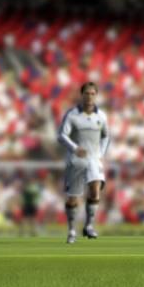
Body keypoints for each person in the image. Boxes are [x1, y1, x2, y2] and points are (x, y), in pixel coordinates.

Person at [58, 82, 110, 244]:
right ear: (82, 95)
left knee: (95, 190)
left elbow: (106, 136)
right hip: (77, 160)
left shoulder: (101, 116)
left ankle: (89, 226)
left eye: (93, 93)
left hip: (93, 159)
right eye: (87, 93)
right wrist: (75, 148)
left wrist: (101, 154)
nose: (89, 96)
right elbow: (61, 136)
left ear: (96, 95)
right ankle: (71, 230)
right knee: (73, 198)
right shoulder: (72, 114)